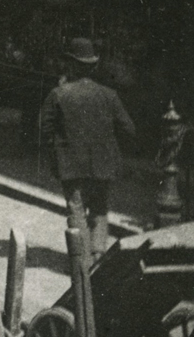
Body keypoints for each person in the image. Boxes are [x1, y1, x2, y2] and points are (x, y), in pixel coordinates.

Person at [39, 37, 135, 256]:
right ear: (93, 67)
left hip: (70, 165)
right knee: (100, 209)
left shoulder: (58, 94)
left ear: (71, 65)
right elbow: (128, 129)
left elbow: (44, 132)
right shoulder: (109, 95)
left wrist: (55, 155)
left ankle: (81, 261)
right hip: (103, 163)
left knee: (77, 211)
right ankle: (98, 255)